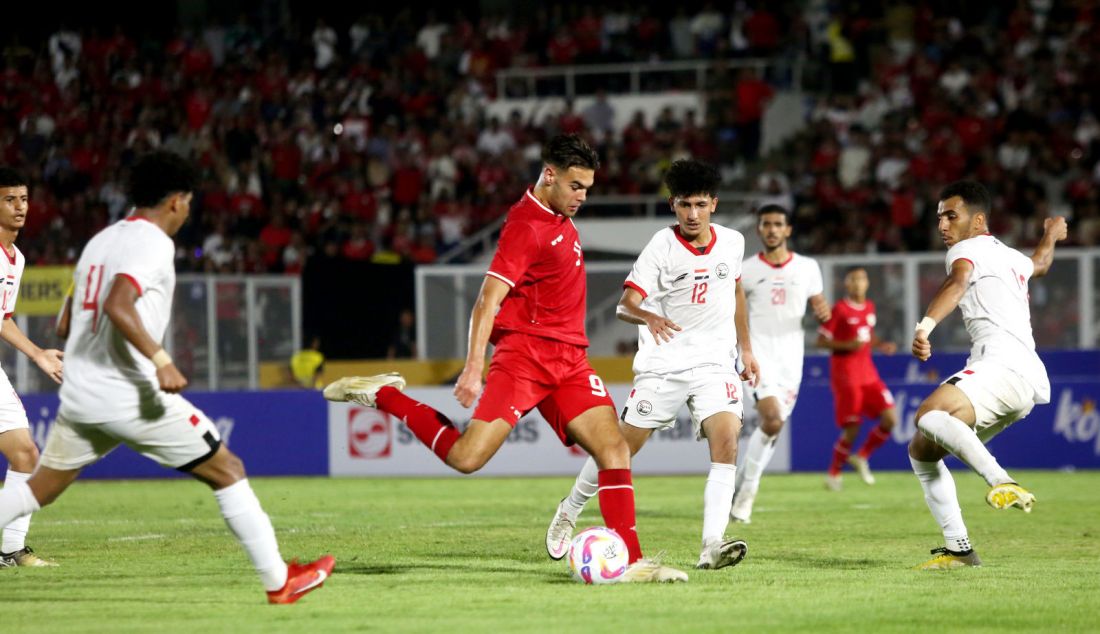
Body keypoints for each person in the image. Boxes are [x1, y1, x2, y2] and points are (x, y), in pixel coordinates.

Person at [324, 135, 687, 582]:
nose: (583, 196)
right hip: (524, 360)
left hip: (569, 361)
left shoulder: (559, 217)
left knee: (614, 449)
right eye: (576, 186)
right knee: (466, 458)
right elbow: (486, 300)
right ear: (549, 175)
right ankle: (383, 396)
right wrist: (474, 367)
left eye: (588, 188)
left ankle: (632, 563)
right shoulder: (526, 226)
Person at [0, 153, 333, 603]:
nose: (189, 211)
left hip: (83, 394)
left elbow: (64, 322)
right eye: (189, 202)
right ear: (176, 201)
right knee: (228, 469)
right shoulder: (153, 242)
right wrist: (160, 358)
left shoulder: (102, 240)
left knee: (37, 487)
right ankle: (280, 582)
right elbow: (119, 304)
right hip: (129, 392)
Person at [543, 159, 760, 570]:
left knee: (728, 440)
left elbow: (736, 293)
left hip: (715, 362)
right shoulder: (662, 246)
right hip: (664, 365)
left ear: (714, 203)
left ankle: (712, 544)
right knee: (619, 451)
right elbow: (626, 304)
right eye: (683, 205)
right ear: (672, 206)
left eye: (699, 204)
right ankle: (571, 507)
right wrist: (650, 316)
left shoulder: (732, 242)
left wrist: (746, 349)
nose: (692, 214)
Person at [909, 181, 1066, 570]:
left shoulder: (966, 250)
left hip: (1000, 365)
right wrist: (1051, 234)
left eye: (951, 215)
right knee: (922, 451)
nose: (943, 225)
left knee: (929, 414)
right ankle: (959, 549)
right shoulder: (1011, 256)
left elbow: (957, 283)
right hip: (1022, 382)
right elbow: (1041, 264)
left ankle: (1001, 480)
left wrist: (925, 326)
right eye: (940, 217)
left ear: (978, 220)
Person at [730, 204, 830, 524]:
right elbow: (733, 312)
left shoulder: (807, 267)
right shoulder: (745, 270)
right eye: (766, 224)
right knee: (772, 421)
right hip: (756, 358)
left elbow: (818, 305)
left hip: (791, 363)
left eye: (778, 224)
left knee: (773, 428)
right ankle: (747, 495)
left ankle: (737, 485)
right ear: (759, 230)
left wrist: (824, 315)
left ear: (788, 230)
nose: (772, 230)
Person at [0, 167, 64, 567]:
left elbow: (3, 317)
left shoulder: (16, 258)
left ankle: (10, 549)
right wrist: (36, 354)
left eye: (23, 199)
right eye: (9, 199)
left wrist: (38, 351)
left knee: (25, 453)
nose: (19, 207)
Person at [816, 266, 899, 491]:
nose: (858, 283)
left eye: (861, 279)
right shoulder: (839, 310)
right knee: (852, 426)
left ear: (867, 283)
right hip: (846, 375)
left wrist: (881, 345)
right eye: (853, 279)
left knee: (891, 419)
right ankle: (834, 474)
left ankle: (861, 456)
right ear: (846, 284)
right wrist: (847, 346)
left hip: (869, 374)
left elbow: (866, 336)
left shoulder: (869, 308)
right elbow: (821, 341)